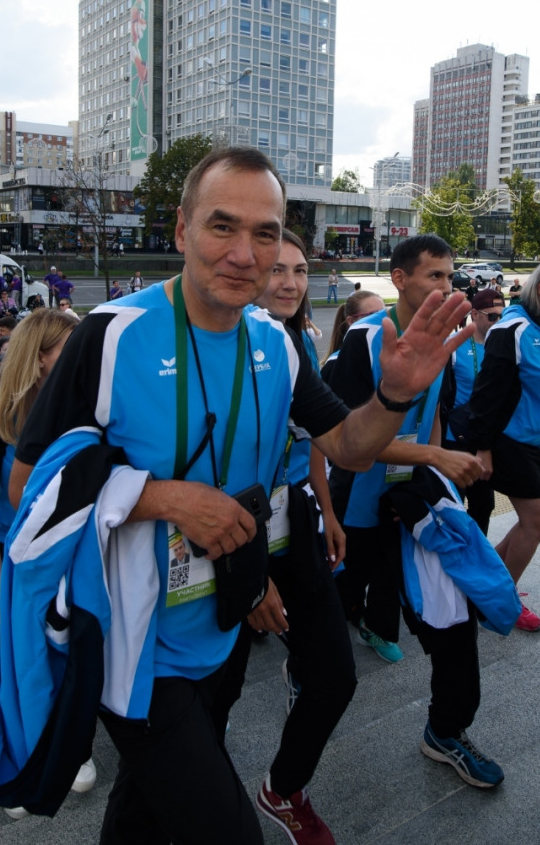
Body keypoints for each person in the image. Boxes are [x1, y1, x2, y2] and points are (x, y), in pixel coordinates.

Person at [0, 147, 469, 842]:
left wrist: (396, 394)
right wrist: (162, 499)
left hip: (221, 625)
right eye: (223, 227)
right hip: (133, 647)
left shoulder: (276, 344)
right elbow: (25, 485)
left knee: (144, 811)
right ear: (182, 230)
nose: (247, 253)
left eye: (267, 232)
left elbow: (349, 448)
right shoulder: (111, 336)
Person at [220, 230, 359, 835]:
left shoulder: (295, 340)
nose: (290, 282)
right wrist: (252, 582)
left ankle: (283, 789)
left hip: (290, 517)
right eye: (278, 269)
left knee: (334, 674)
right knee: (211, 693)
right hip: (223, 537)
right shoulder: (223, 343)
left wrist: (326, 512)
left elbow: (329, 440)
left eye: (301, 271)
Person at [329, 235, 485, 665]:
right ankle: (314, 659)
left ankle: (377, 628)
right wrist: (437, 458)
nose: (448, 286)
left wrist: (425, 482)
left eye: (450, 276)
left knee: (391, 566)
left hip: (403, 489)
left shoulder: (441, 341)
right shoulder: (362, 340)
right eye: (435, 275)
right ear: (399, 279)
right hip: (355, 495)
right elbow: (351, 440)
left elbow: (434, 413)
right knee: (346, 578)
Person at [0, 309, 78, 723]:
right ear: (39, 357)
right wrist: (0, 594)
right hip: (8, 557)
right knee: (18, 656)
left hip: (69, 552)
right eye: (70, 347)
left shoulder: (85, 412)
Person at [465, 258, 540, 631]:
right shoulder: (512, 329)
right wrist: (482, 448)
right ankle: (501, 600)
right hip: (510, 440)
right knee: (536, 522)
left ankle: (483, 586)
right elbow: (486, 394)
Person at [444, 287, 506, 533]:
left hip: (485, 441)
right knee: (453, 506)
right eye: (492, 316)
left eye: (502, 316)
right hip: (455, 439)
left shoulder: (502, 347)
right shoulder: (455, 347)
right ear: (475, 314)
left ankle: (476, 555)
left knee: (483, 505)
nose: (498, 321)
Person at [324, 288, 384, 362]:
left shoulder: (386, 354)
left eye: (383, 314)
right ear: (351, 321)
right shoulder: (338, 363)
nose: (383, 320)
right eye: (373, 315)